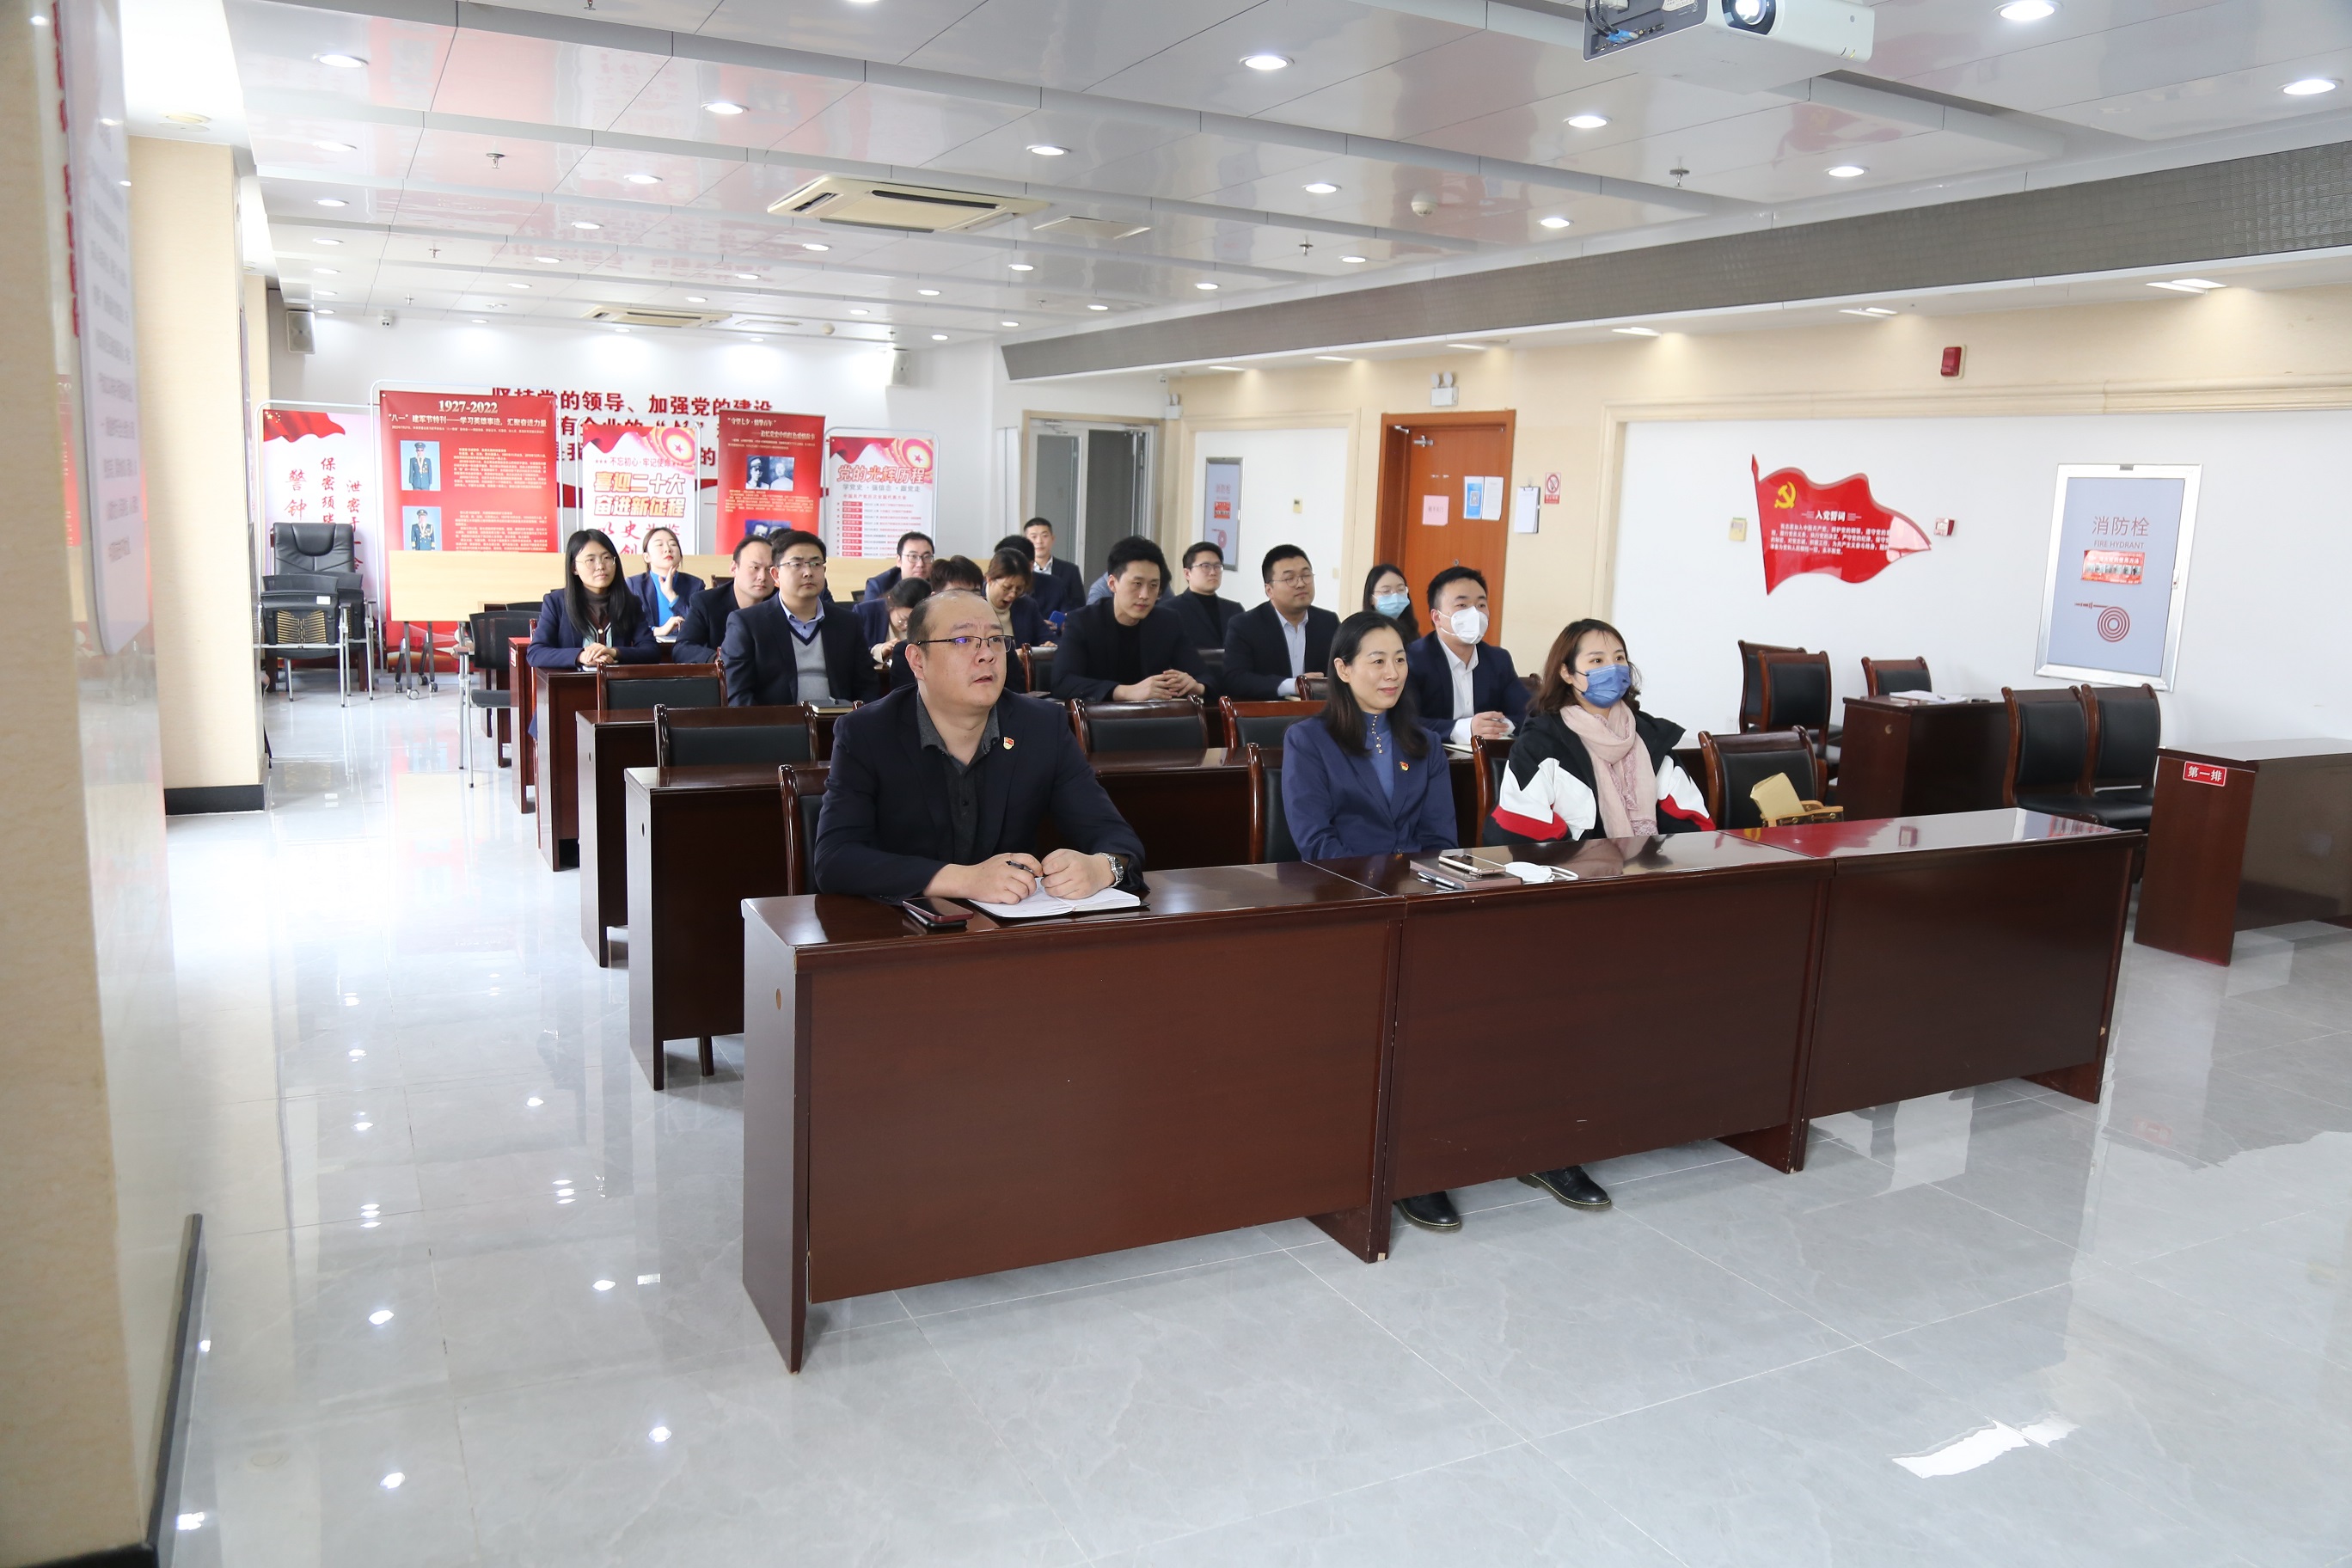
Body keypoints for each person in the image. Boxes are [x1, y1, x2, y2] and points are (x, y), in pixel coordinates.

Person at [812, 589, 1147, 902]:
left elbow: (1116, 838)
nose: (987, 655)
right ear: (917, 660)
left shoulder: (1042, 726)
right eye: (963, 640)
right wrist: (965, 880)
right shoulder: (867, 732)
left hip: (1010, 928)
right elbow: (835, 859)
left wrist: (1102, 868)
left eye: (995, 640)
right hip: (900, 928)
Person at [1489, 617, 1713, 848]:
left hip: (1645, 866)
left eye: (1619, 658)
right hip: (1572, 867)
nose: (1612, 669)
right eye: (1597, 660)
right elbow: (1522, 826)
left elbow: (1692, 823)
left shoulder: (1651, 738)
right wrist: (1597, 861)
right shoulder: (1540, 743)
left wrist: (1650, 862)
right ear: (1567, 673)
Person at [1282, 611, 1455, 861]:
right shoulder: (1307, 740)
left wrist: (1414, 879)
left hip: (1415, 880)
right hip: (1342, 880)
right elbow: (1316, 843)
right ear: (1343, 670)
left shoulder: (1427, 743)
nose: (1393, 673)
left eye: (1400, 660)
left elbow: (1441, 839)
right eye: (1378, 662)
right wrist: (1375, 880)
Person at [720, 530, 883, 707]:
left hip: (839, 721)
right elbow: (737, 694)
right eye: (796, 564)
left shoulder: (848, 623)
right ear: (776, 574)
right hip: (775, 723)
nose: (808, 572)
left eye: (816, 564)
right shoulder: (747, 623)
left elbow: (867, 688)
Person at [1052, 536, 1211, 703]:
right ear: (1112, 583)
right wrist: (1124, 692)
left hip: (1153, 716)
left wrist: (1197, 687)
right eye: (1137, 584)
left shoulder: (1168, 622)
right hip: (1099, 717)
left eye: (1153, 585)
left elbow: (1205, 677)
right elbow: (1062, 682)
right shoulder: (1082, 622)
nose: (1145, 595)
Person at [1406, 566, 1528, 750]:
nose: (1475, 614)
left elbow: (1529, 713)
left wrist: (1498, 726)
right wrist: (1466, 729)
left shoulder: (1498, 660)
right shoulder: (1412, 659)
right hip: (1432, 757)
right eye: (1462, 605)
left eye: (1481, 605)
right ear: (1437, 617)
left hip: (1487, 759)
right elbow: (1405, 722)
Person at [527, 529, 662, 669]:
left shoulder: (630, 603)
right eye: (590, 560)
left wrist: (613, 652)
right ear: (574, 568)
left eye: (607, 558)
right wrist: (580, 656)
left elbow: (651, 651)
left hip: (617, 681)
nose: (601, 566)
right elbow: (536, 653)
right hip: (571, 681)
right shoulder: (556, 602)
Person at [1222, 544, 1338, 700]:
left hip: (1319, 711)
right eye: (1290, 579)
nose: (1301, 584)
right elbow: (1236, 680)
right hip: (1267, 712)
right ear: (1269, 590)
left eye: (1306, 575)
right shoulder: (1244, 625)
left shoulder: (1329, 622)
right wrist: (1293, 685)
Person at [672, 534, 775, 665]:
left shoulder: (783, 603)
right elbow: (683, 648)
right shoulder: (706, 602)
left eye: (769, 569)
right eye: (755, 568)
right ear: (734, 568)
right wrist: (718, 660)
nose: (763, 577)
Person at [626, 525, 701, 641]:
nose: (668, 549)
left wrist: (672, 596)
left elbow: (699, 626)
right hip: (646, 648)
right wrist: (659, 630)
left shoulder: (695, 585)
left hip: (685, 648)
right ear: (647, 557)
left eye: (673, 544)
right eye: (659, 545)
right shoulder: (634, 585)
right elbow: (627, 628)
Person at [1171, 541, 1243, 650]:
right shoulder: (1171, 610)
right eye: (1205, 566)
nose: (1213, 572)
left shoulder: (1235, 610)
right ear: (1187, 573)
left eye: (1217, 566)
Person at [871, 577, 930, 689]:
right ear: (891, 605)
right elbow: (857, 655)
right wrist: (879, 651)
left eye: (914, 620)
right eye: (903, 619)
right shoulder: (868, 614)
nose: (907, 626)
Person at [984, 548, 1050, 646]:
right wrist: (1014, 654)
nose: (1013, 595)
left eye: (1019, 589)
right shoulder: (973, 603)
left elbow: (1048, 638)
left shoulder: (1026, 605)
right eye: (1007, 587)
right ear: (990, 580)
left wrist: (1049, 645)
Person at [1021, 517, 1087, 616]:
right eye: (1034, 537)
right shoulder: (1021, 571)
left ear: (1052, 539)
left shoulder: (1071, 570)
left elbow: (1079, 606)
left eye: (1045, 536)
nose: (1039, 541)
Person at [863, 531, 934, 602]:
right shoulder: (878, 586)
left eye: (927, 557)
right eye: (913, 556)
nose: (920, 564)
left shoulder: (939, 583)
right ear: (899, 561)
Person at [1363, 562, 1419, 641]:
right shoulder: (1362, 634)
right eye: (1386, 591)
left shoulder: (1412, 632)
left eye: (1401, 589)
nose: (1395, 596)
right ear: (1371, 598)